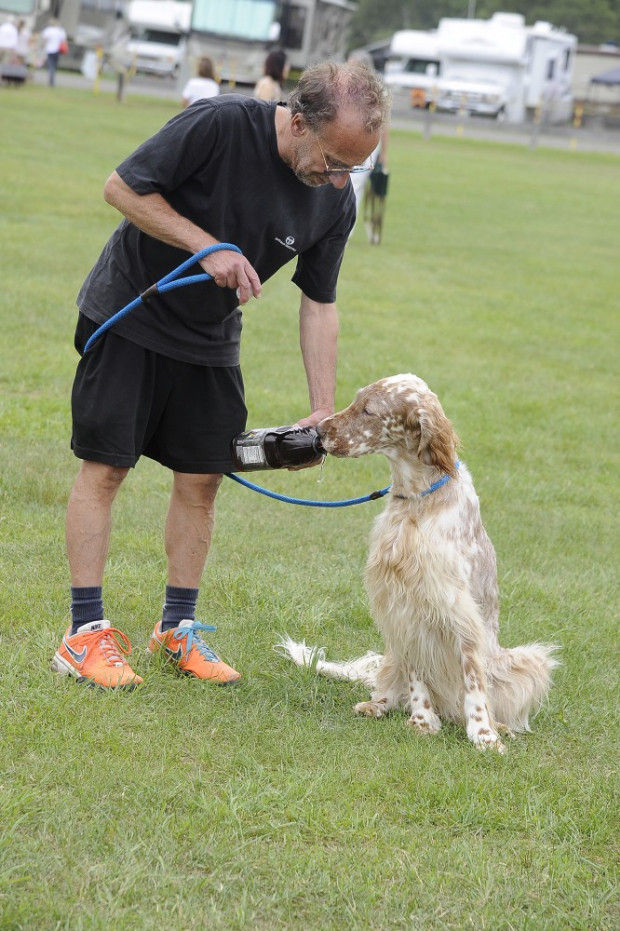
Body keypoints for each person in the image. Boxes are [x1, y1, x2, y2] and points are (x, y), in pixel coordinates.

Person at [53, 60, 391, 690]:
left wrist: (322, 409)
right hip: (132, 311)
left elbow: (319, 301)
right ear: (296, 123)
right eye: (333, 158)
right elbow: (121, 188)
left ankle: (176, 631)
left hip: (210, 339)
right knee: (106, 468)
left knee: (202, 478)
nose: (340, 178)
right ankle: (83, 635)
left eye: (356, 166)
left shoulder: (334, 200)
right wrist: (205, 244)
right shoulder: (217, 124)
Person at [40, 17, 67, 87]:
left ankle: (50, 81)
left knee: (50, 65)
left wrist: (42, 47)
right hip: (57, 50)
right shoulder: (61, 31)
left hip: (50, 49)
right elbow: (64, 41)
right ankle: (52, 81)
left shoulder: (48, 30)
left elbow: (44, 40)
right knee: (54, 65)